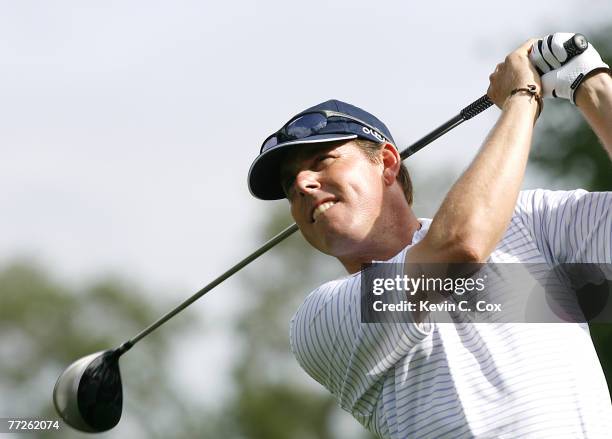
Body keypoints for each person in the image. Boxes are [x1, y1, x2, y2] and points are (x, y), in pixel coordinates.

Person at [247, 33, 612, 438]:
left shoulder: (528, 222)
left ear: (386, 163)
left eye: (322, 161)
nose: (301, 184)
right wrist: (522, 98)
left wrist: (590, 83)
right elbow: (461, 246)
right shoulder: (323, 318)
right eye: (289, 185)